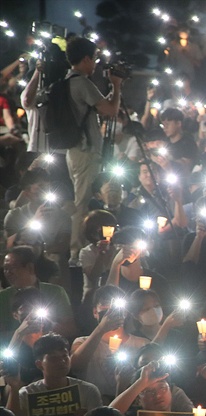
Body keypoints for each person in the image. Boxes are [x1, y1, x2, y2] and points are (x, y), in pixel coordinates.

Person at [63, 37, 124, 261]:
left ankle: (79, 250)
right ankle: (76, 254)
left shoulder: (67, 82)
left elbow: (97, 108)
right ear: (86, 58)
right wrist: (116, 85)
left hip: (74, 151)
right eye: (95, 59)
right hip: (86, 152)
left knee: (82, 199)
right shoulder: (81, 82)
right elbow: (110, 110)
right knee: (82, 202)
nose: (96, 64)